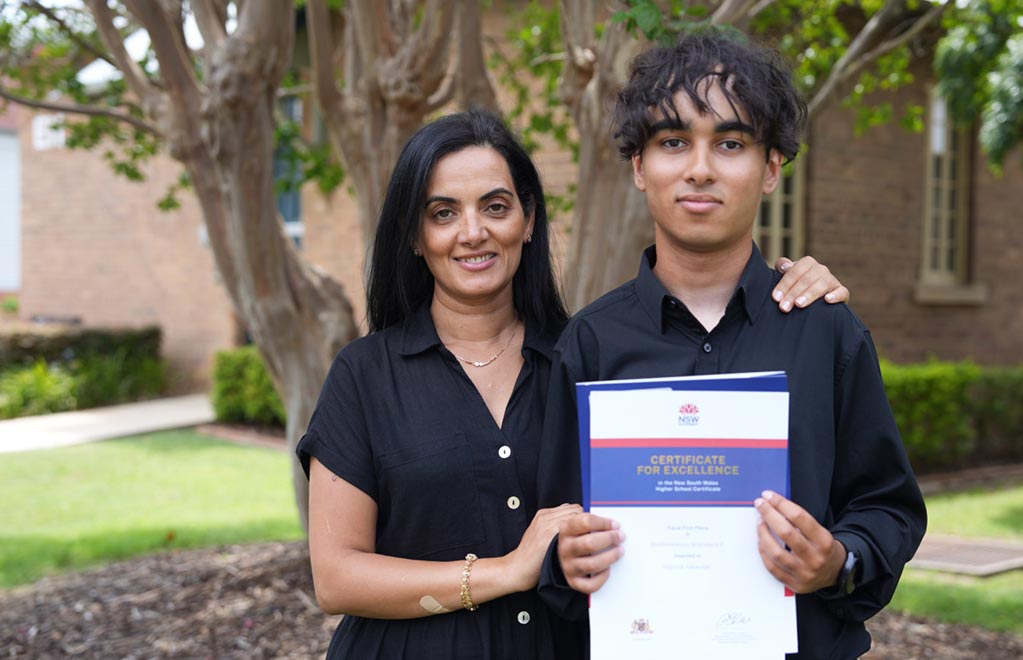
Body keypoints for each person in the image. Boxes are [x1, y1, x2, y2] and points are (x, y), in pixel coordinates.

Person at [297, 111, 849, 659]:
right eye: (443, 213)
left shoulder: (588, 358)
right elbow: (338, 578)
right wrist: (506, 571)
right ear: (416, 236)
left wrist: (789, 290)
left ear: (529, 219)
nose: (473, 232)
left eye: (495, 206)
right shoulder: (365, 374)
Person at [536, 34, 927, 659]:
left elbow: (888, 507)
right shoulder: (591, 344)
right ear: (639, 167)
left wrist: (837, 561)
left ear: (771, 168)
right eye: (672, 143)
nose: (699, 168)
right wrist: (566, 561)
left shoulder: (825, 331)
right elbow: (553, 535)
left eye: (730, 142)